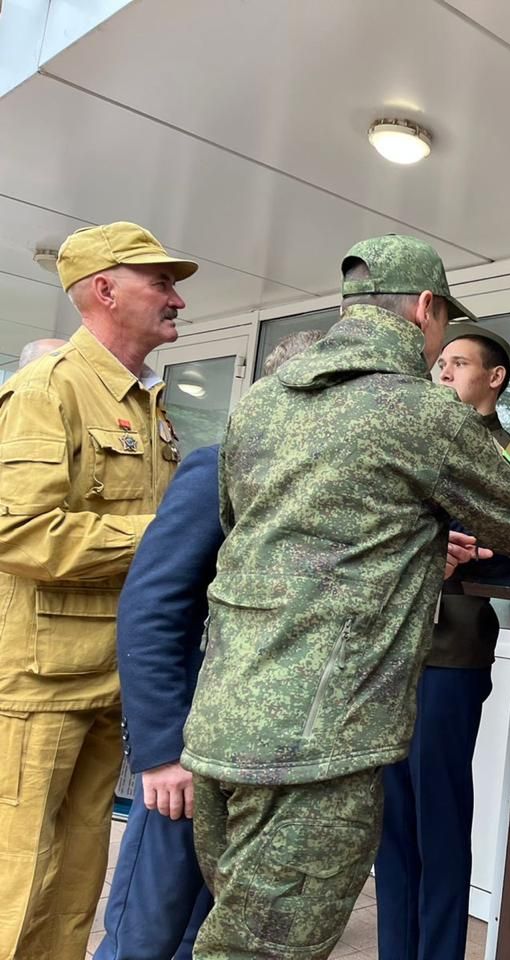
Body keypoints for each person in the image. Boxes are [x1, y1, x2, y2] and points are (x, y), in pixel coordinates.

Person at [180, 234, 510, 959]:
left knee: (236, 921)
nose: (441, 353)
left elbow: (257, 538)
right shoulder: (418, 413)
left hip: (223, 722)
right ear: (427, 309)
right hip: (322, 737)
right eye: (443, 335)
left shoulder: (260, 406)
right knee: (260, 949)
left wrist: (419, 548)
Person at [0, 221, 197, 959]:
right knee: (18, 884)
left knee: (76, 884)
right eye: (161, 283)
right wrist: (165, 536)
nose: (176, 299)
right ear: (105, 290)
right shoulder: (47, 390)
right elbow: (18, 532)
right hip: (39, 684)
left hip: (108, 681)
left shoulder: (148, 405)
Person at [94, 330, 323, 960]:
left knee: (211, 930)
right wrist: (162, 751)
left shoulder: (337, 490)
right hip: (193, 750)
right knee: (147, 930)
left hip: (280, 753)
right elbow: (153, 610)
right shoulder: (219, 468)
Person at [375, 322, 510, 960]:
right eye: (439, 362)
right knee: (393, 823)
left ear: (495, 378)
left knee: (438, 818)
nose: (443, 372)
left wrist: (485, 546)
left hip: (450, 651)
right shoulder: (414, 443)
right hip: (391, 649)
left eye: (459, 363)